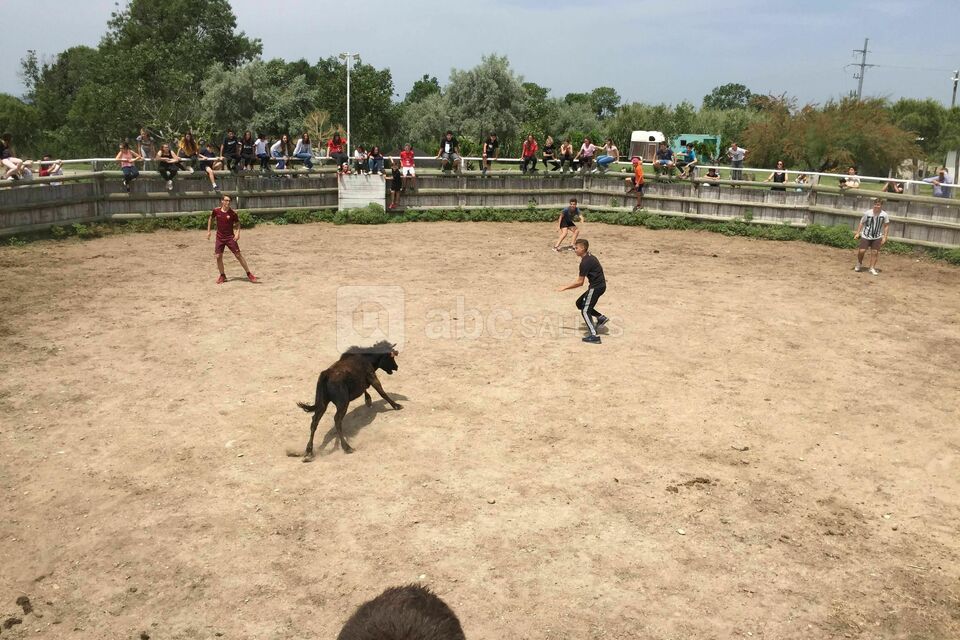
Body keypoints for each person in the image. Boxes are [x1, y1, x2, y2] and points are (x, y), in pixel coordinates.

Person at [557, 238, 607, 344]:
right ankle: (600, 318)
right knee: (579, 303)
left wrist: (565, 287)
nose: (575, 250)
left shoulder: (585, 262)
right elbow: (571, 247)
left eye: (576, 248)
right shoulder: (589, 256)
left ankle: (594, 336)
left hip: (596, 287)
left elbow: (580, 282)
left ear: (583, 248)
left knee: (585, 310)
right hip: (599, 286)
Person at [207, 194, 257, 284]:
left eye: (229, 201)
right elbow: (210, 218)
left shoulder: (233, 213)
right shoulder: (216, 211)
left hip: (230, 237)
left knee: (238, 255)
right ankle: (222, 276)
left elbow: (238, 224)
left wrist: (238, 233)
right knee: (218, 257)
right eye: (226, 200)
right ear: (222, 201)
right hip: (219, 238)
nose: (228, 202)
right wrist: (209, 231)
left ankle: (249, 274)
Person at [853, 199, 890, 276]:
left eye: (878, 204)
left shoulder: (884, 215)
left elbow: (886, 226)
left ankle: (872, 268)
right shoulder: (868, 213)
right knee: (862, 251)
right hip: (866, 235)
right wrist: (857, 233)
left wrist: (885, 237)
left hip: (877, 236)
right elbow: (861, 222)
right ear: (874, 204)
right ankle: (859, 263)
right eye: (875, 204)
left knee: (875, 252)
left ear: (881, 205)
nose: (877, 206)